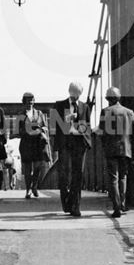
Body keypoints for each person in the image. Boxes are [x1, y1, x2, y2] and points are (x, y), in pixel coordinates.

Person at [51, 81, 91, 217]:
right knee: (64, 175)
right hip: (64, 145)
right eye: (74, 95)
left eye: (79, 95)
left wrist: (80, 124)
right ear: (69, 92)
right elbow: (53, 124)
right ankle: (66, 201)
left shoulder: (85, 107)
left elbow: (87, 126)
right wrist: (67, 118)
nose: (76, 98)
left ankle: (76, 207)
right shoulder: (59, 105)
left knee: (78, 175)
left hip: (79, 145)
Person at [98, 86, 134, 218]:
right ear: (119, 97)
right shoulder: (129, 112)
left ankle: (116, 208)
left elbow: (102, 133)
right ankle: (122, 204)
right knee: (123, 177)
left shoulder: (105, 112)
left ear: (107, 99)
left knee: (113, 179)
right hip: (126, 150)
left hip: (111, 150)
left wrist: (104, 147)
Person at [18, 91, 52, 199]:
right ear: (24, 102)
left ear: (34, 101)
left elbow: (46, 127)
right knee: (28, 168)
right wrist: (27, 130)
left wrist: (41, 129)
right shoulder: (21, 115)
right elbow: (17, 130)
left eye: (31, 101)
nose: (30, 103)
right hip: (26, 143)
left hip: (38, 143)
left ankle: (35, 186)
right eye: (27, 101)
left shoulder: (40, 113)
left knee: (37, 166)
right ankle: (28, 190)